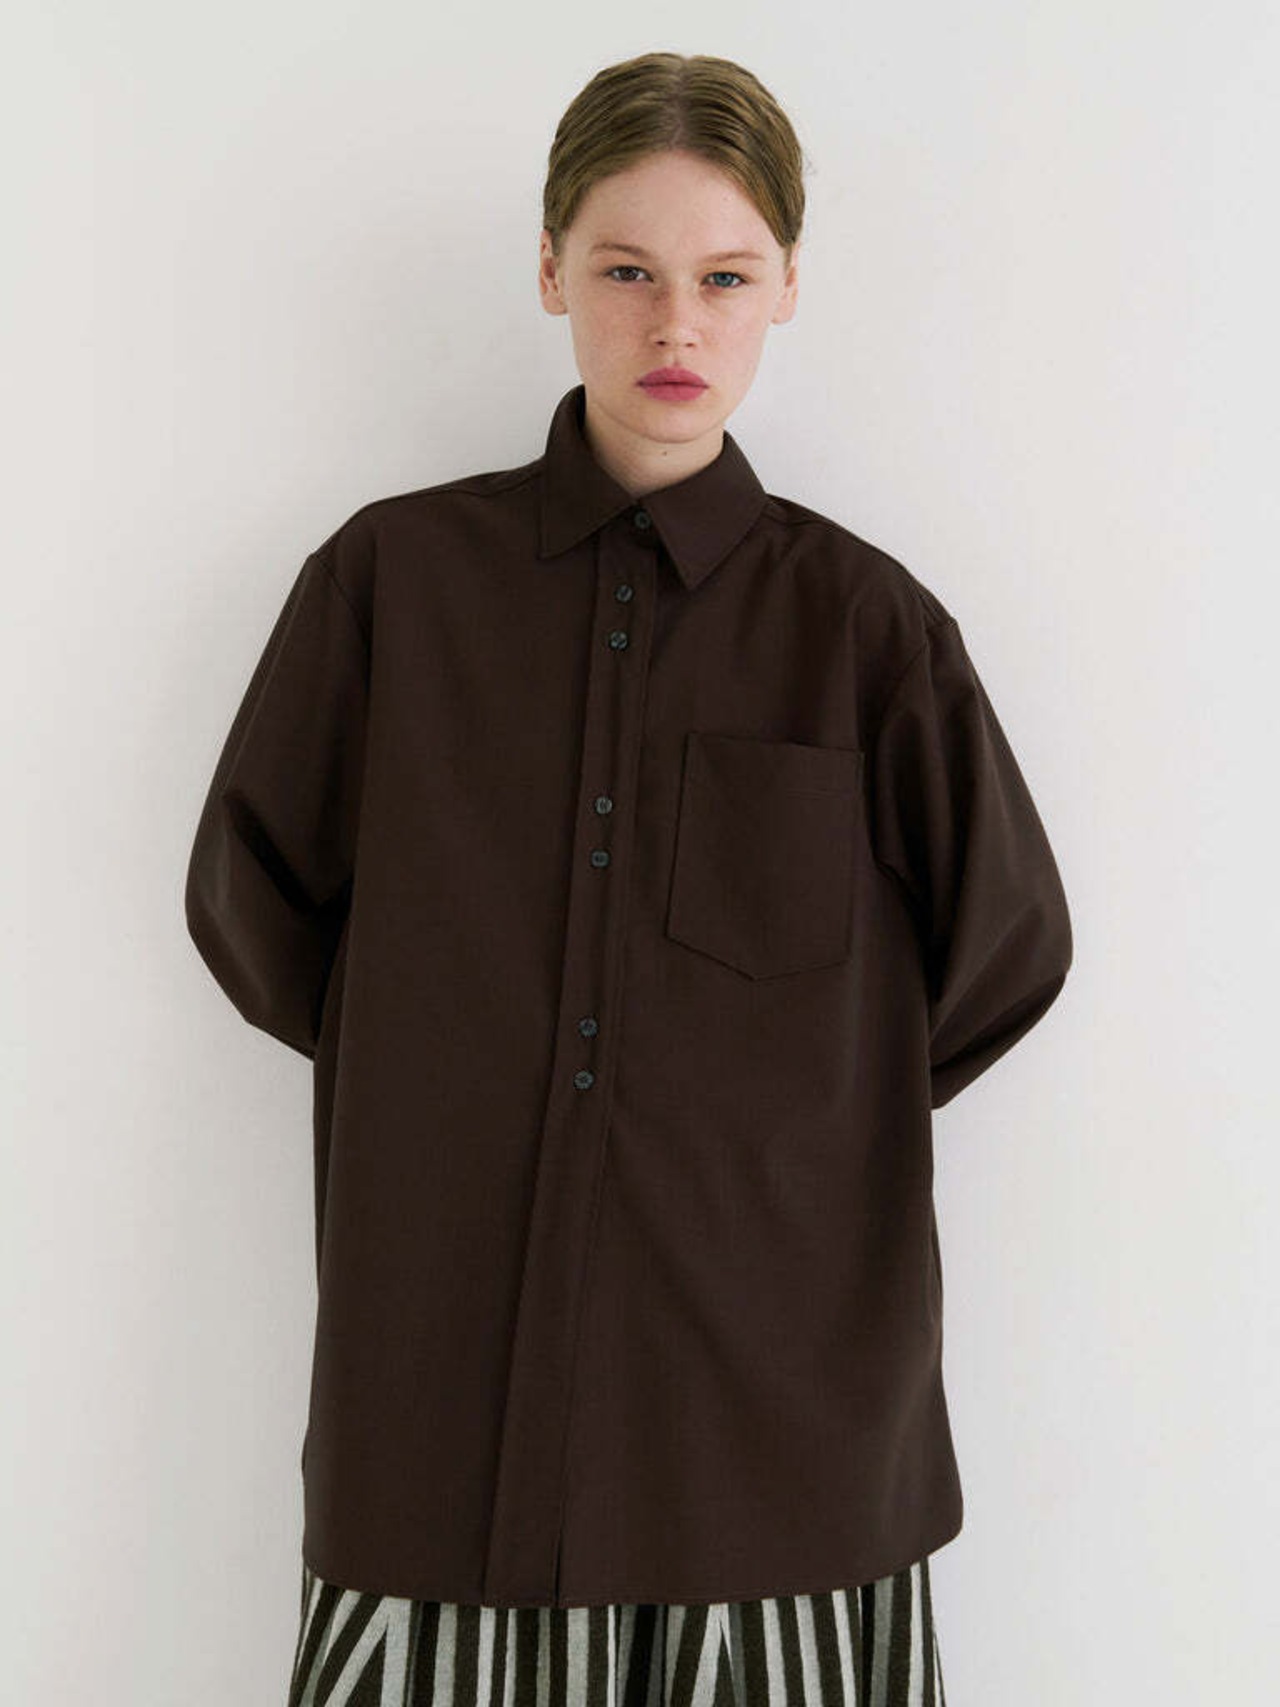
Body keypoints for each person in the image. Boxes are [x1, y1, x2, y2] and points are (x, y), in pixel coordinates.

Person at [187, 49, 1072, 1707]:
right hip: (442, 1413)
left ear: (786, 285)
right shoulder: (392, 585)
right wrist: (449, 1060)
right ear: (550, 271)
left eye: (724, 276)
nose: (677, 323)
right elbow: (253, 893)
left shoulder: (866, 630)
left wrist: (782, 1120)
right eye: (626, 271)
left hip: (775, 1432)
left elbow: (1006, 949)